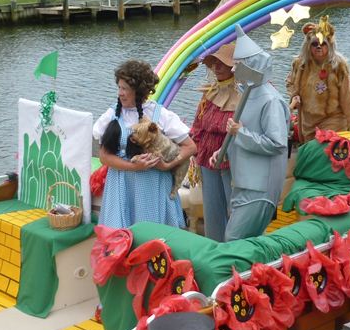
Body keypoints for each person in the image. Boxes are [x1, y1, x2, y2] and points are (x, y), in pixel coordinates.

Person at [93, 60, 197, 229]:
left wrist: (167, 165)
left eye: (125, 88)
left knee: (154, 240)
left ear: (139, 91)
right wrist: (134, 167)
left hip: (153, 187)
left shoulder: (160, 115)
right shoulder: (112, 114)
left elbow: (190, 147)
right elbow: (104, 157)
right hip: (121, 186)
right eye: (119, 87)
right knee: (121, 241)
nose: (120, 93)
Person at [210, 26, 290, 241]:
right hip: (243, 181)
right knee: (245, 242)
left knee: (234, 240)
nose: (234, 71)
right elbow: (242, 133)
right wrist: (224, 150)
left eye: (238, 65)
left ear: (252, 66)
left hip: (260, 186)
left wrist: (240, 133)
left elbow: (277, 143)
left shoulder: (270, 100)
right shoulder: (248, 94)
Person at [285, 15, 350, 142]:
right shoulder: (300, 64)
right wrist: (294, 96)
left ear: (330, 45)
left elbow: (348, 97)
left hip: (333, 121)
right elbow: (290, 83)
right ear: (308, 46)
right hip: (308, 122)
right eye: (314, 44)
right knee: (309, 152)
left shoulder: (339, 66)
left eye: (323, 44)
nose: (319, 47)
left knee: (320, 149)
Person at [188, 43, 238, 241]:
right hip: (207, 155)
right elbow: (198, 123)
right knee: (212, 207)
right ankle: (215, 244)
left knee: (233, 207)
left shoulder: (244, 93)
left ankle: (234, 247)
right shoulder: (209, 93)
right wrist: (194, 144)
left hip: (231, 155)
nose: (216, 67)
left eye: (221, 63)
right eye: (214, 63)